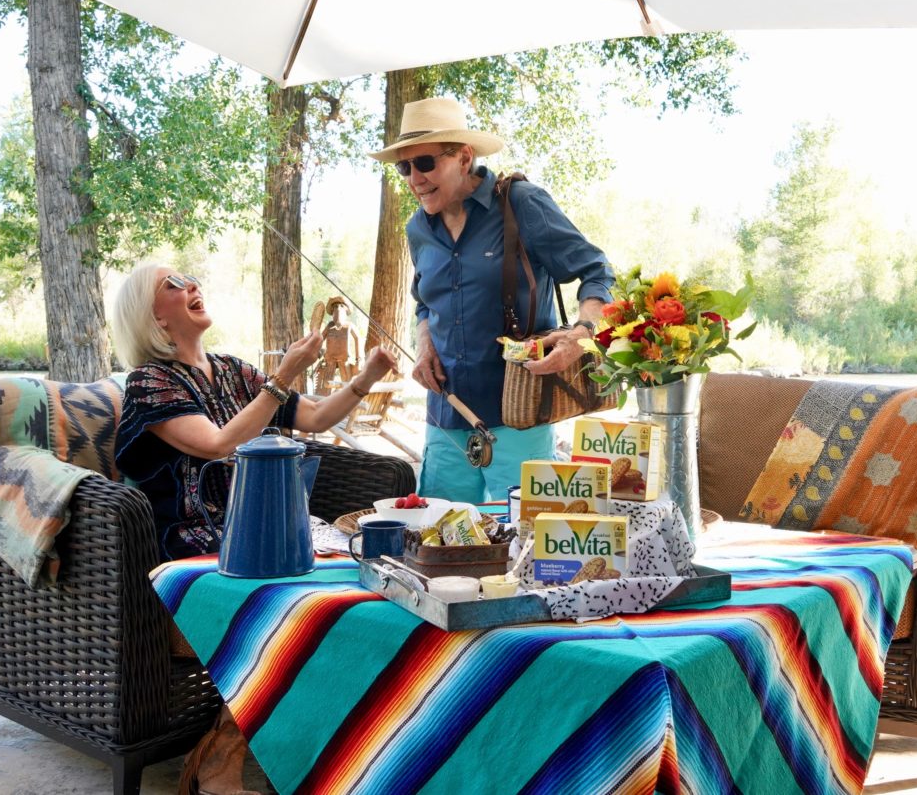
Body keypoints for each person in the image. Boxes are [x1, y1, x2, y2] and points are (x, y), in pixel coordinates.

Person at [111, 262, 397, 795]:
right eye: (173, 285)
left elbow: (312, 419)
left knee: (367, 583)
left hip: (266, 528)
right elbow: (218, 443)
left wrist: (366, 377)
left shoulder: (234, 371)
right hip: (200, 541)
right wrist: (281, 376)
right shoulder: (149, 382)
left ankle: (333, 747)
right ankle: (224, 758)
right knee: (298, 600)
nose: (192, 285)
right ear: (152, 316)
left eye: (190, 277)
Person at [369, 97, 614, 504]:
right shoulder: (418, 228)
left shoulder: (521, 203)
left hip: (520, 415)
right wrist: (424, 346)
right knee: (441, 543)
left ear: (464, 157)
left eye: (425, 163)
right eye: (404, 167)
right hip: (446, 419)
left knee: (526, 549)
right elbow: (425, 302)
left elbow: (598, 271)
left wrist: (581, 335)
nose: (414, 178)